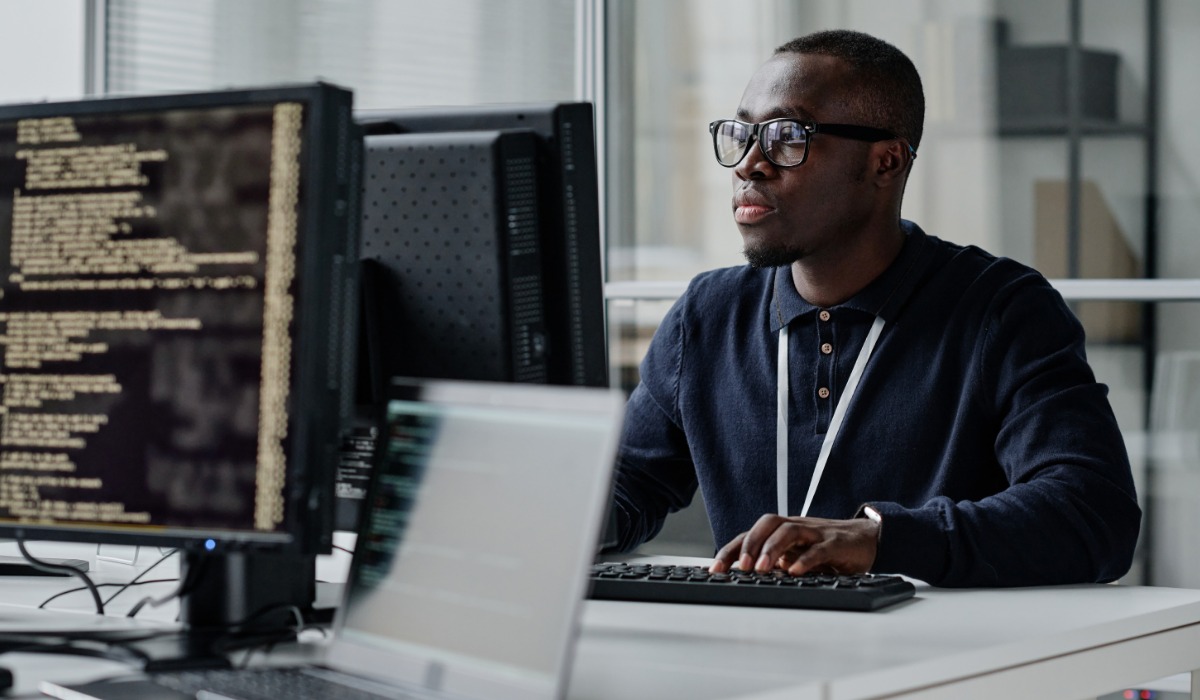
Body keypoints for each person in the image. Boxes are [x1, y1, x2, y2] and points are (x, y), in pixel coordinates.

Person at [607, 29, 1141, 587]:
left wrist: (881, 539)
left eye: (788, 136)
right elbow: (624, 490)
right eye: (742, 133)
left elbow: (1093, 513)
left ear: (886, 163)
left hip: (940, 664)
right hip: (758, 656)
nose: (749, 164)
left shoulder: (1001, 311)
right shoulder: (708, 316)